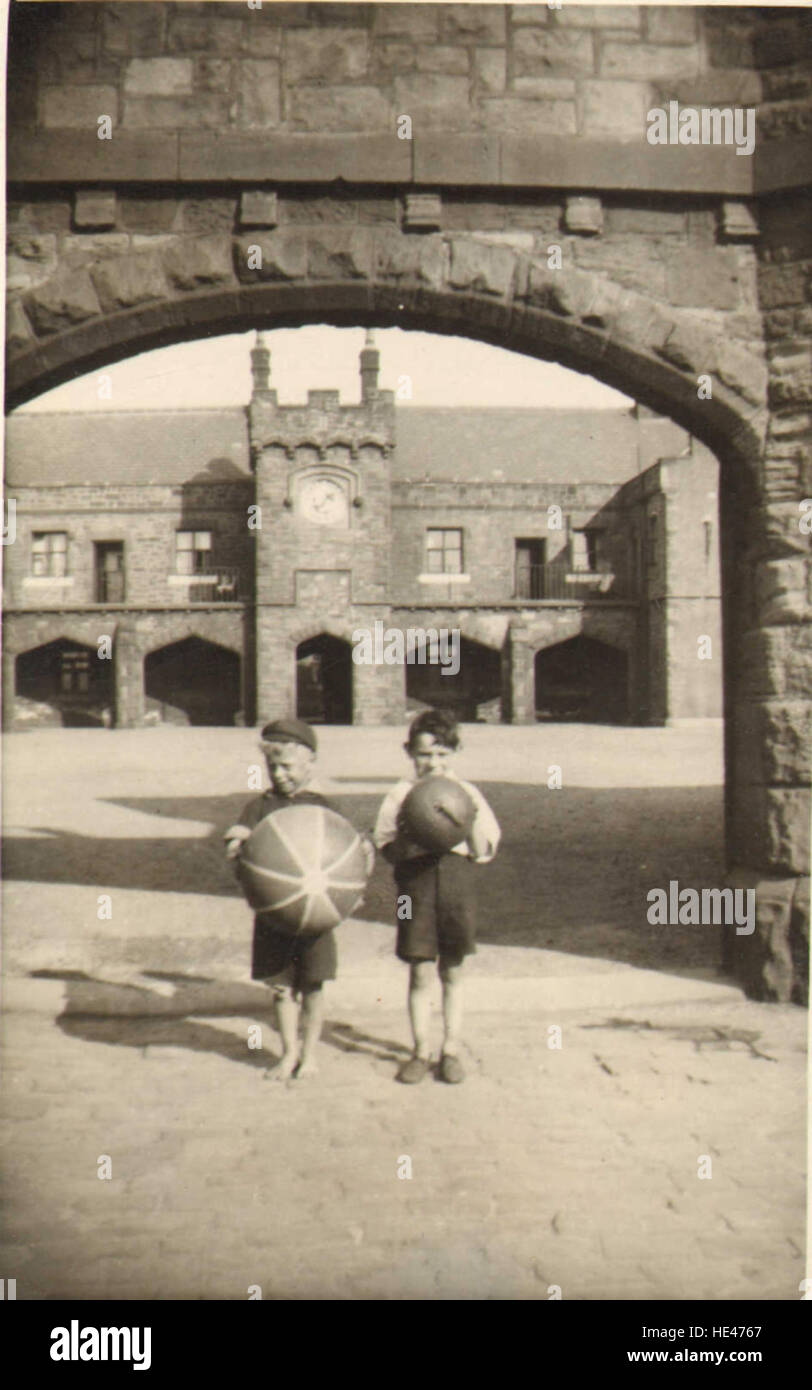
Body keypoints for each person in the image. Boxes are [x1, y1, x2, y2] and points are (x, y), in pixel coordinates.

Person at [225, 718, 366, 1082]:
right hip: (275, 914)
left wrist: (353, 885)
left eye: (286, 766)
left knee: (314, 986)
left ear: (310, 762)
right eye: (272, 767)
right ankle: (288, 1053)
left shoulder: (323, 807)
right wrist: (237, 849)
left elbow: (351, 855)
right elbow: (237, 846)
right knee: (282, 988)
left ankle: (310, 1055)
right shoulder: (259, 808)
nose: (279, 774)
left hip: (317, 915)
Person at [372, 709, 500, 1085]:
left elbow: (483, 849)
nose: (434, 763)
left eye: (443, 755)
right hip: (415, 885)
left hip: (457, 883)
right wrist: (412, 834)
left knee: (454, 970)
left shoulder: (467, 793)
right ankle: (421, 1049)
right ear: (410, 752)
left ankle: (451, 1049)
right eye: (426, 754)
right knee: (420, 970)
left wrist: (466, 819)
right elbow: (384, 844)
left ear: (456, 753)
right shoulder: (400, 793)